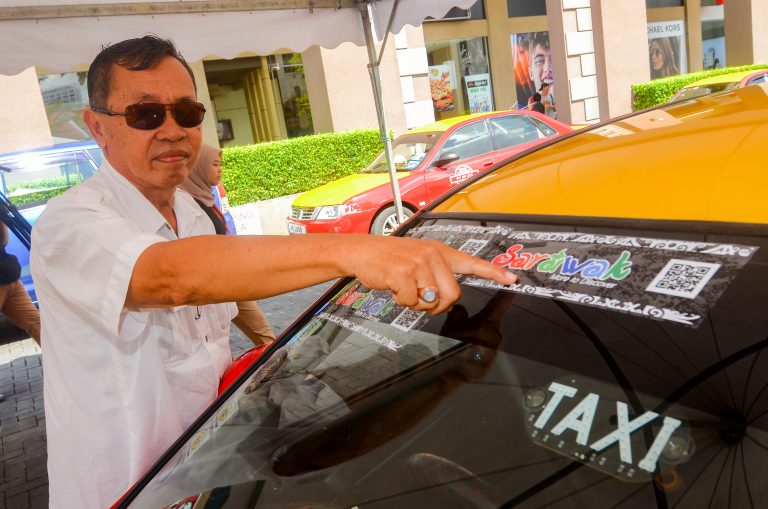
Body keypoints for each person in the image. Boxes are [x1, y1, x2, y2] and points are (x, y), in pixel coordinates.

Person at [30, 35, 517, 508]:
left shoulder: (192, 214)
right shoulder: (69, 222)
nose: (173, 129)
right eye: (145, 114)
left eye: (187, 112)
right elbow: (168, 279)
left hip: (204, 483)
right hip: (123, 492)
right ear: (97, 127)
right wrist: (361, 252)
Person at [180, 143, 276, 346]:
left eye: (220, 164)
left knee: (264, 336)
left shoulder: (206, 196)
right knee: (258, 337)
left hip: (227, 278)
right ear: (198, 167)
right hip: (214, 284)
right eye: (214, 164)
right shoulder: (186, 203)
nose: (220, 169)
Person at [0, 221, 40, 346]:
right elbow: (4, 239)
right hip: (7, 273)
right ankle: (65, 358)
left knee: (37, 325)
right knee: (37, 325)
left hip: (8, 276)